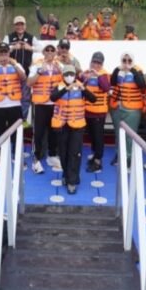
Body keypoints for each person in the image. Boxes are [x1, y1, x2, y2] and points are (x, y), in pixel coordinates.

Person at [50, 65, 97, 194]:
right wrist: (66, 89)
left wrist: (84, 89)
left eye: (72, 74)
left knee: (75, 153)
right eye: (67, 74)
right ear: (63, 75)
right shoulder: (59, 86)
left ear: (75, 75)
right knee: (63, 153)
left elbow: (93, 99)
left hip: (77, 125)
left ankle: (72, 181)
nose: (69, 76)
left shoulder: (81, 86)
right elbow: (53, 98)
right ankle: (67, 175)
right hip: (61, 124)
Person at [0, 42, 26, 170]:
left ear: (9, 53)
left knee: (17, 133)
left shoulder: (16, 64)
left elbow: (23, 77)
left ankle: (17, 156)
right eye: (1, 53)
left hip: (14, 104)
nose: (3, 56)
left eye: (5, 53)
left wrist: (14, 64)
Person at [27, 43, 63, 173]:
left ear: (55, 52)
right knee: (38, 133)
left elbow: (68, 82)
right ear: (43, 52)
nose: (49, 52)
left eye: (51, 50)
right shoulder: (37, 65)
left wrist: (61, 72)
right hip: (41, 105)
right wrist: (39, 71)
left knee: (55, 131)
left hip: (55, 104)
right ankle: (36, 159)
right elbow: (29, 83)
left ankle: (52, 155)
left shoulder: (60, 66)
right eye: (47, 50)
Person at [109, 52, 146, 166]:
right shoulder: (119, 71)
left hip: (132, 110)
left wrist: (132, 69)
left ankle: (129, 159)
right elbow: (113, 82)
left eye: (129, 60)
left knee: (130, 136)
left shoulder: (138, 70)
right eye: (124, 60)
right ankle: (119, 155)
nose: (126, 63)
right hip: (118, 107)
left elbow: (142, 84)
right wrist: (116, 69)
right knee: (118, 134)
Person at [80, 52, 110, 173]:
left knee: (98, 137)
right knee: (91, 135)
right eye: (94, 62)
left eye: (98, 63)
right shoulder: (87, 72)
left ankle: (98, 161)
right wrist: (83, 76)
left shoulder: (104, 74)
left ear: (102, 64)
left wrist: (97, 75)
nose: (96, 65)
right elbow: (79, 84)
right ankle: (94, 155)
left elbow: (106, 88)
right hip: (87, 111)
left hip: (99, 112)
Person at [6, 15, 36, 123]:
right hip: (11, 74)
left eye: (21, 24)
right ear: (14, 26)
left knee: (25, 98)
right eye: (17, 25)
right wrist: (13, 47)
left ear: (25, 25)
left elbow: (42, 48)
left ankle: (22, 120)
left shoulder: (31, 37)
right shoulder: (8, 37)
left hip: (26, 73)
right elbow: (1, 49)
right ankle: (10, 120)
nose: (20, 27)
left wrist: (31, 48)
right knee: (10, 97)